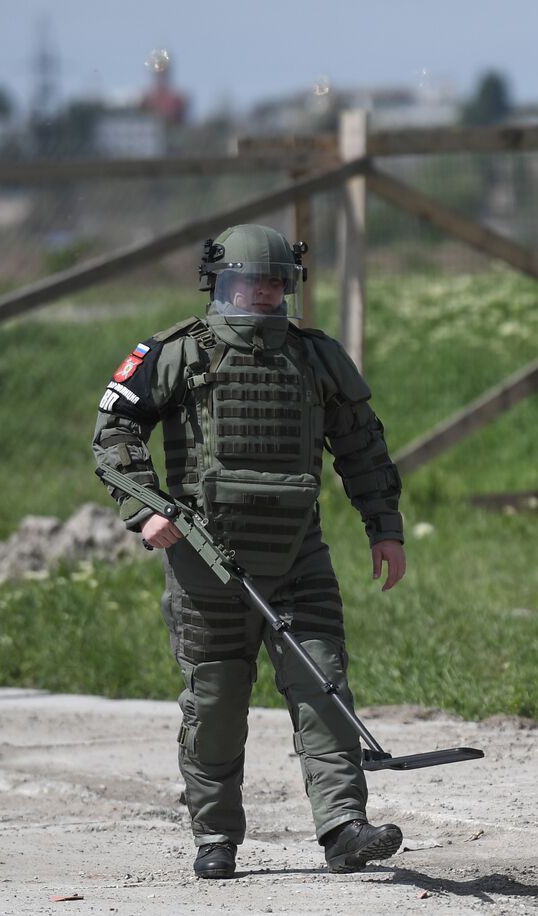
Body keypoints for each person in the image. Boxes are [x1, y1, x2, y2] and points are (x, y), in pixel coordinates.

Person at [91, 224, 407, 878]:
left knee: (323, 685)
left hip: (299, 556)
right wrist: (147, 510)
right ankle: (216, 836)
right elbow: (115, 432)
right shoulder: (175, 352)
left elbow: (362, 446)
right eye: (247, 284)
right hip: (204, 561)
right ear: (219, 284)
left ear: (289, 288)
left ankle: (344, 828)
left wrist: (384, 526)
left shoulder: (315, 357)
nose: (261, 296)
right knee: (215, 704)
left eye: (273, 286)